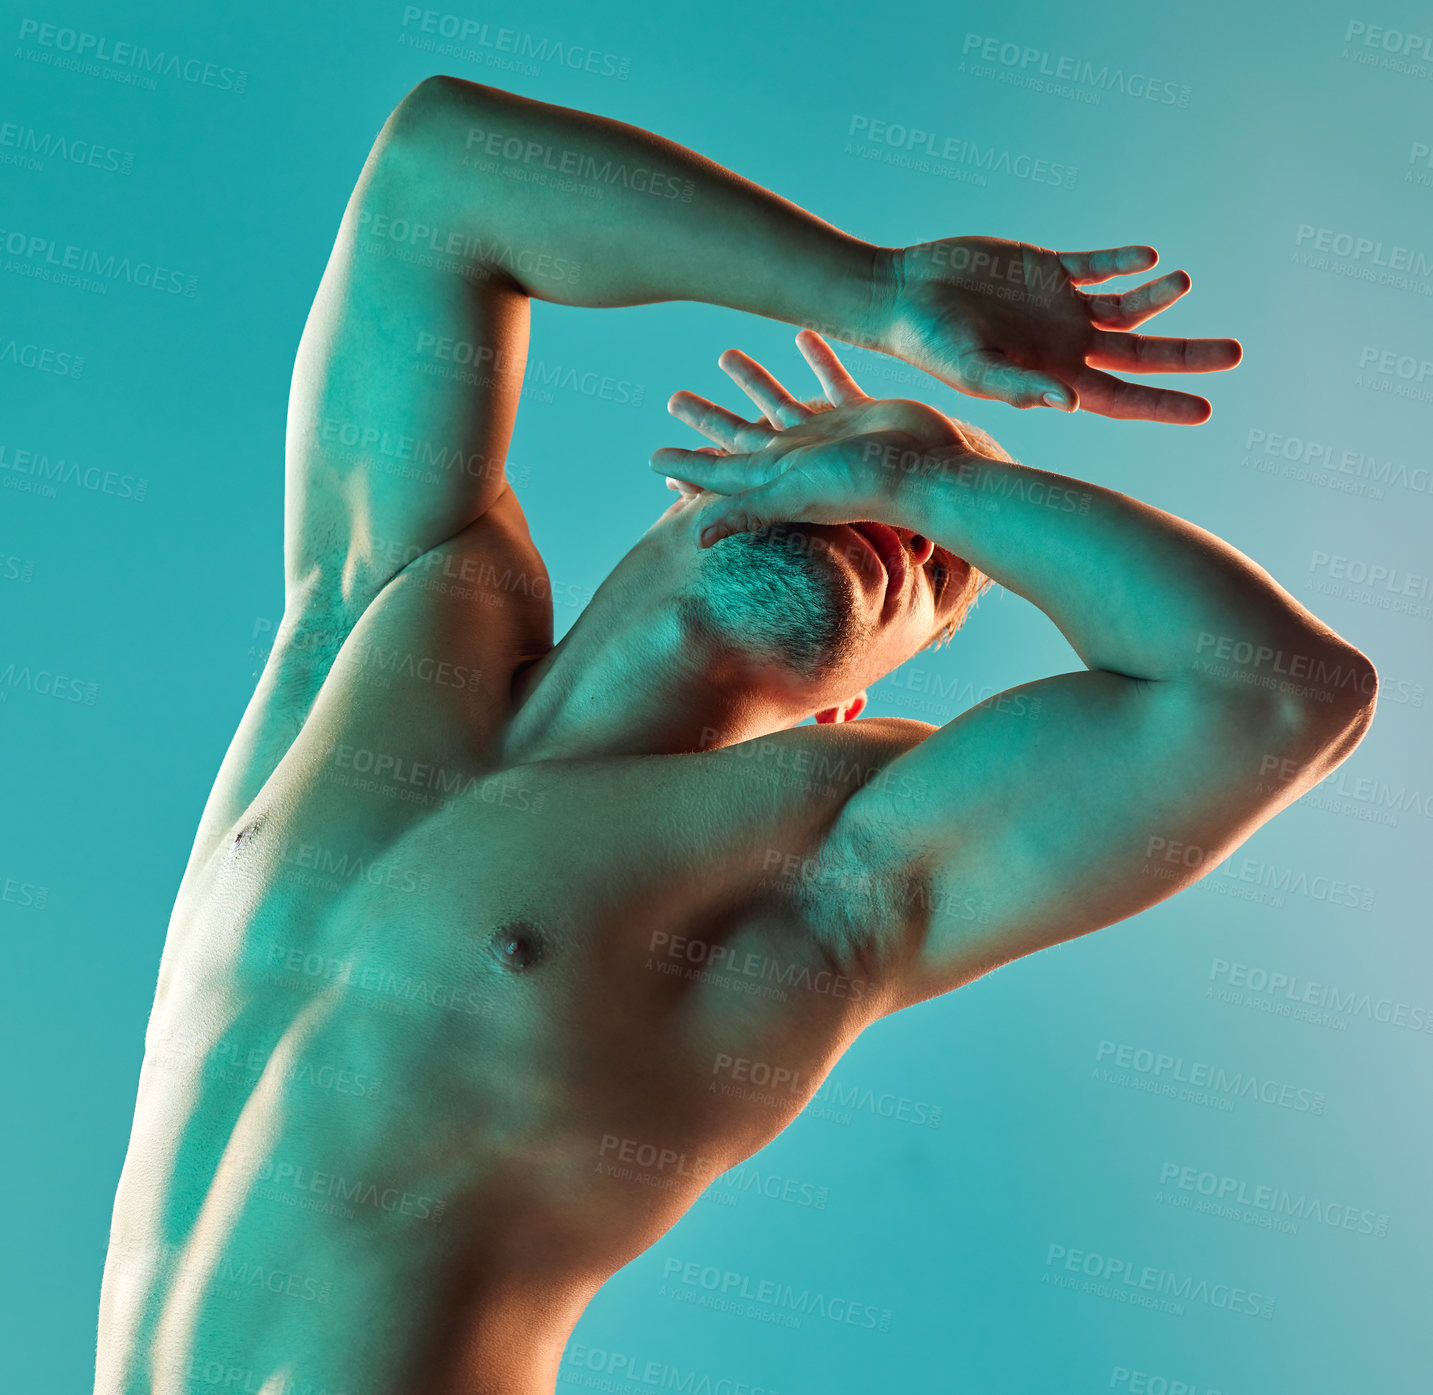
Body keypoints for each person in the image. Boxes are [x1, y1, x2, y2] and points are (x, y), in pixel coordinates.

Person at [93, 75, 1376, 1395]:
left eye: (940, 564)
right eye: (833, 449)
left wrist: (925, 480)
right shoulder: (391, 618)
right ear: (701, 484)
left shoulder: (809, 849)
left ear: (849, 704)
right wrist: (875, 295)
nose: (904, 535)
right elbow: (438, 179)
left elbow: (1277, 699)